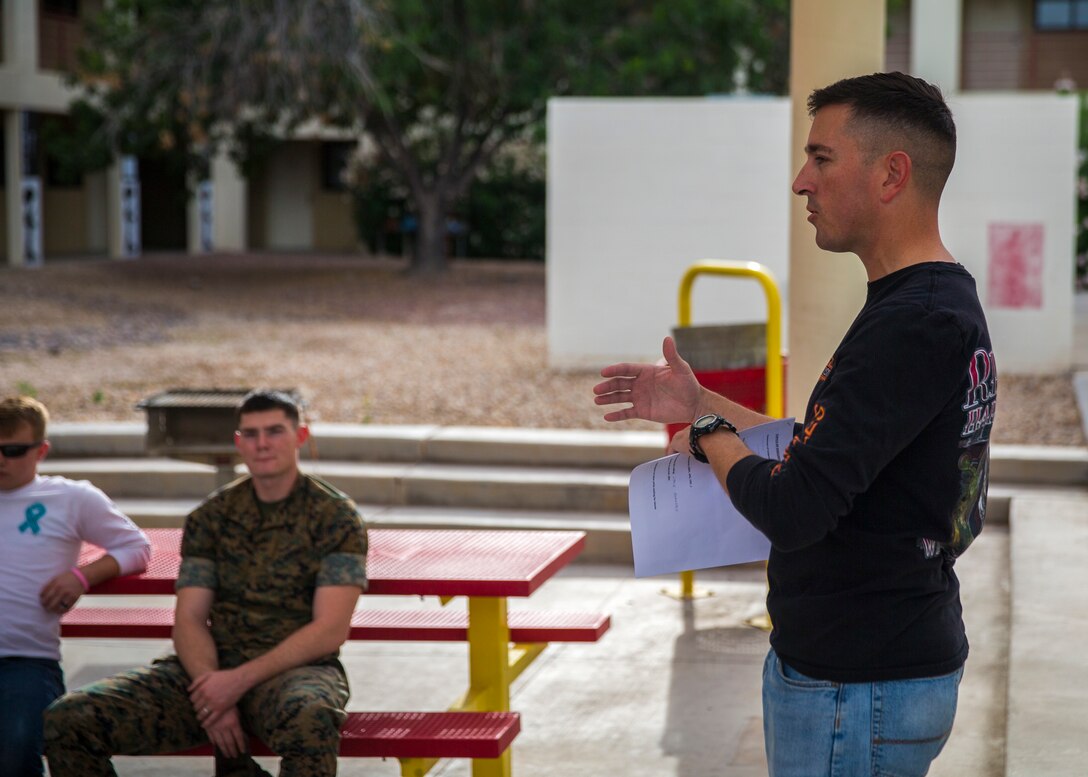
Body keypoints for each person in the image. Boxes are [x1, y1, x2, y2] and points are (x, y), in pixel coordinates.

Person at [594, 72, 995, 777]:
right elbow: (821, 443)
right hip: (872, 670)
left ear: (891, 174)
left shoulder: (915, 321)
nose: (800, 181)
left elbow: (796, 503)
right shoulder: (930, 305)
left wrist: (710, 430)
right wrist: (698, 402)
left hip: (857, 684)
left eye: (822, 158)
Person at [44, 390, 369, 777]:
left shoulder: (334, 516)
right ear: (237, 442)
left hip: (295, 672)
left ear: (300, 436)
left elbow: (329, 630)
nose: (262, 443)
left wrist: (233, 685)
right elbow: (190, 620)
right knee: (69, 719)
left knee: (311, 719)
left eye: (274, 431)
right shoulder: (212, 517)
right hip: (207, 669)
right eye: (250, 434)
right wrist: (211, 690)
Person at [0, 396, 151, 777]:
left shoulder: (70, 498)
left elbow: (136, 548)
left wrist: (82, 576)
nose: (0, 460)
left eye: (13, 450)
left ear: (42, 451)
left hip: (26, 659)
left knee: (15, 750)